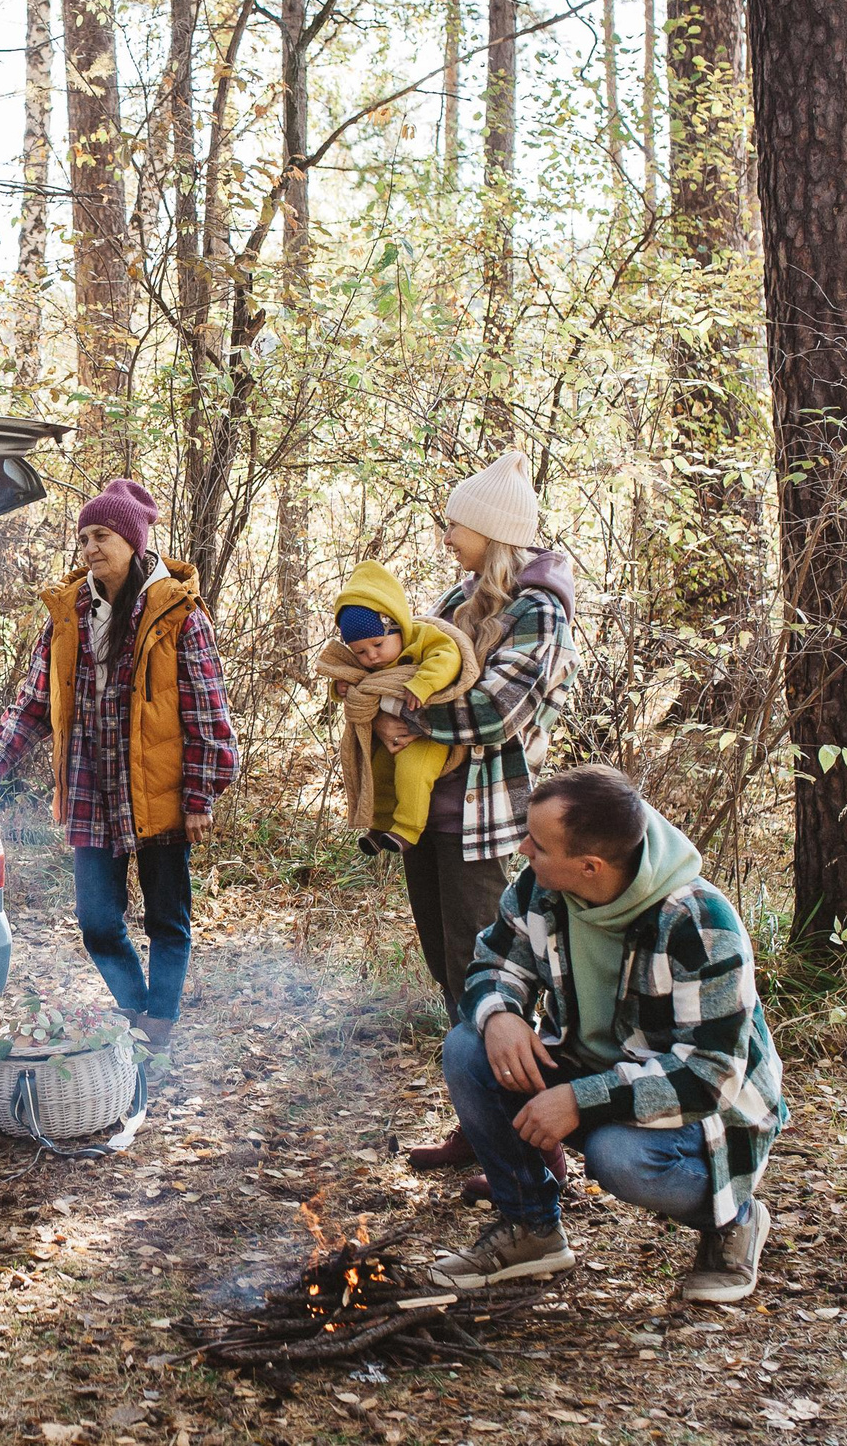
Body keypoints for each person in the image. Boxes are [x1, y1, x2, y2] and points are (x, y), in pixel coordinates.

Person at [429, 765, 785, 1304]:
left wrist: (580, 1100)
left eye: (538, 844)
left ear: (590, 866)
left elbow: (709, 1076)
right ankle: (531, 1229)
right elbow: (494, 963)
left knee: (617, 1156)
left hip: (708, 1108)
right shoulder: (541, 888)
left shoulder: (699, 921)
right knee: (467, 1048)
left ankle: (734, 1217)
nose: (523, 848)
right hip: (592, 1069)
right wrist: (500, 1015)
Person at [0, 479, 240, 1046]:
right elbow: (37, 698)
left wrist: (200, 796)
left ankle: (159, 1022)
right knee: (97, 923)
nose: (89, 547)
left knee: (166, 919)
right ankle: (135, 1011)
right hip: (90, 787)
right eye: (84, 536)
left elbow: (208, 712)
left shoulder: (179, 615)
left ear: (133, 542)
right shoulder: (68, 614)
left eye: (102, 536)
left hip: (159, 790)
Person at [378, 451, 579, 1177]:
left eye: (455, 525)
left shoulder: (539, 610)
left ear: (491, 532)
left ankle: (536, 1147)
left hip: (484, 821)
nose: (445, 537)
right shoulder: (459, 598)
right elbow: (404, 669)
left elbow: (496, 711)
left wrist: (411, 717)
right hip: (427, 818)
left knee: (491, 981)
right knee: (450, 973)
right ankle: (480, 1121)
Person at [325, 561, 466, 854]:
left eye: (378, 644)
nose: (372, 656)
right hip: (391, 732)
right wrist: (341, 687)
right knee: (378, 771)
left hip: (427, 737)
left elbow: (447, 657)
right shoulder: (370, 661)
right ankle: (380, 825)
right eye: (360, 651)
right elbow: (353, 677)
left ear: (397, 625)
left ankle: (407, 830)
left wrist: (423, 684)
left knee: (412, 773)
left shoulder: (423, 636)